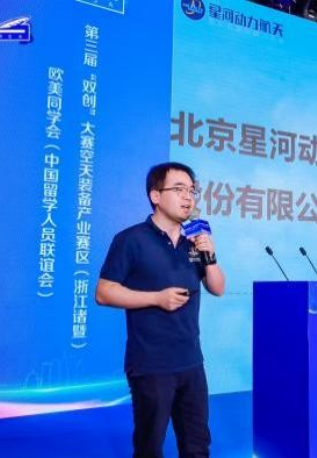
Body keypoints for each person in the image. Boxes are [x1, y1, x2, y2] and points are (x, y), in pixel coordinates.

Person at [96, 162, 225, 458]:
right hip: (150, 363)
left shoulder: (194, 241)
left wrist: (210, 255)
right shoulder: (131, 239)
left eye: (191, 190)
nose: (188, 197)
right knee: (149, 446)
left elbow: (218, 288)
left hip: (192, 362)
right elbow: (103, 293)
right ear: (155, 196)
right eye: (179, 189)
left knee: (197, 446)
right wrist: (156, 298)